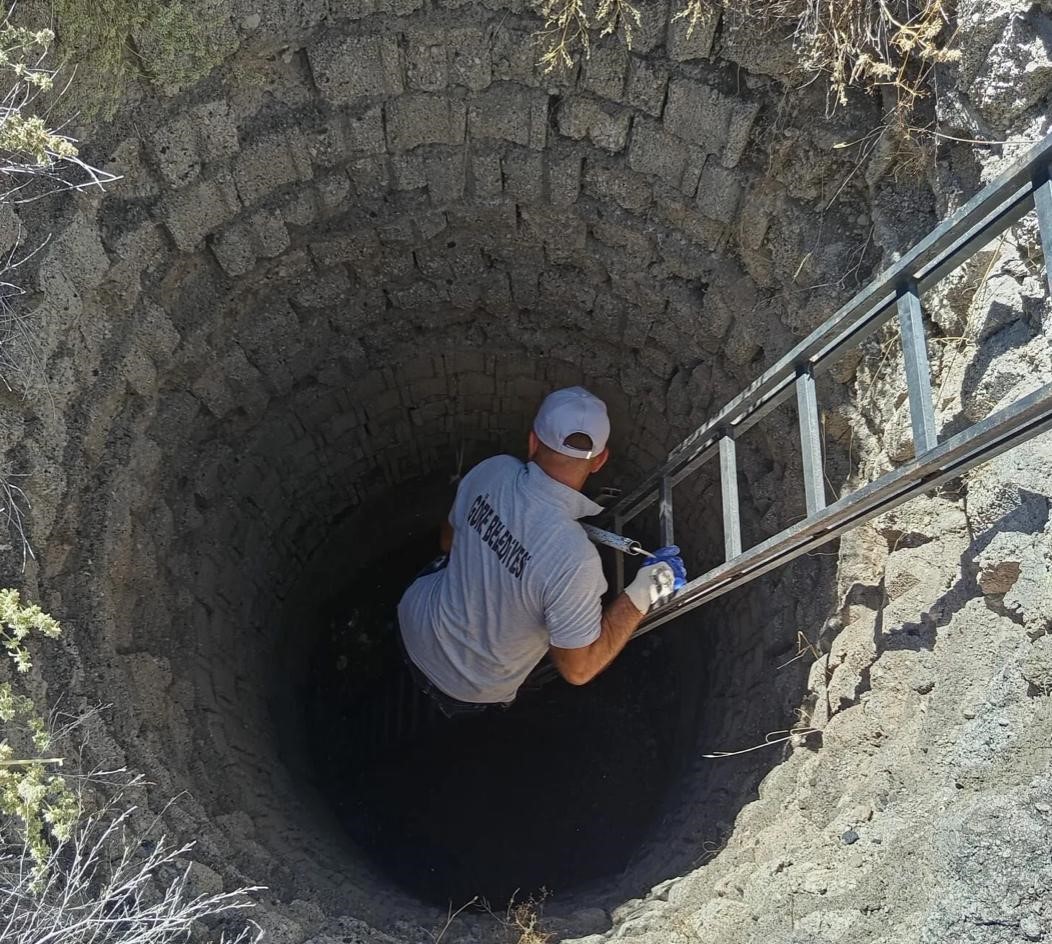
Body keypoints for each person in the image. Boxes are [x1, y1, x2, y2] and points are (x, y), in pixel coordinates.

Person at [397, 386, 686, 717]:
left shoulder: (493, 471)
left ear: (533, 441)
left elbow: (447, 543)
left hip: (413, 620)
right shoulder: (576, 561)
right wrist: (643, 592)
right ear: (599, 462)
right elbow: (578, 670)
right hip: (467, 687)